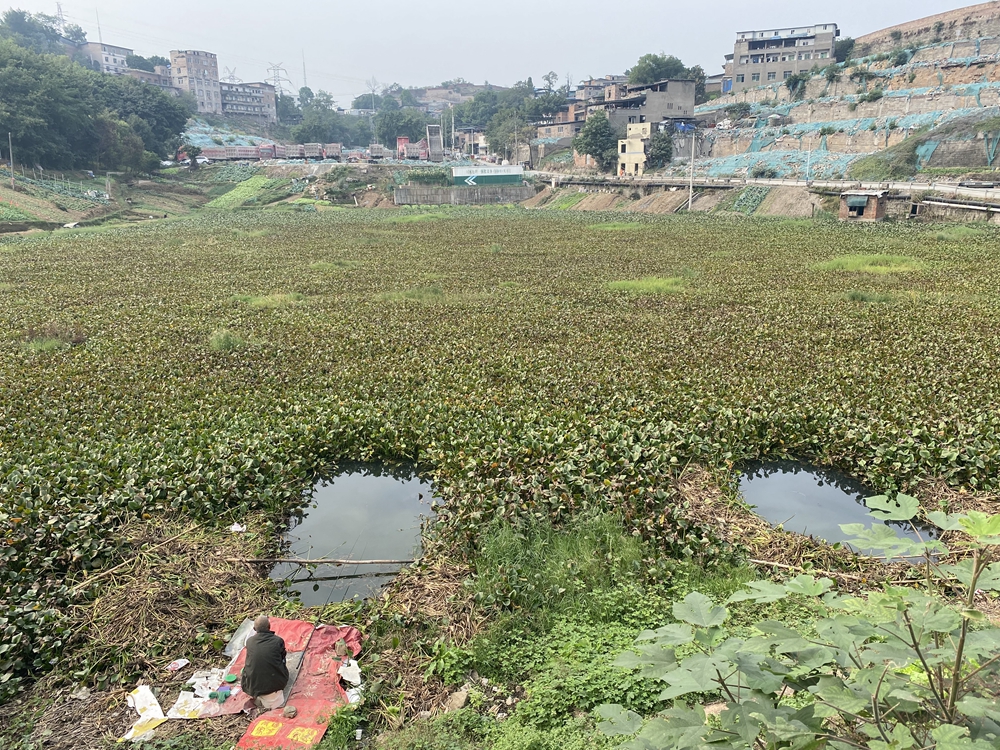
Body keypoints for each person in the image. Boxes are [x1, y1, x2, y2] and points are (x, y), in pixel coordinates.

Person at [241, 615, 289, 709]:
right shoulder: (278, 641)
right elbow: (283, 657)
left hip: (252, 686)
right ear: (269, 626)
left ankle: (259, 696)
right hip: (276, 684)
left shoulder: (250, 641)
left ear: (254, 629)